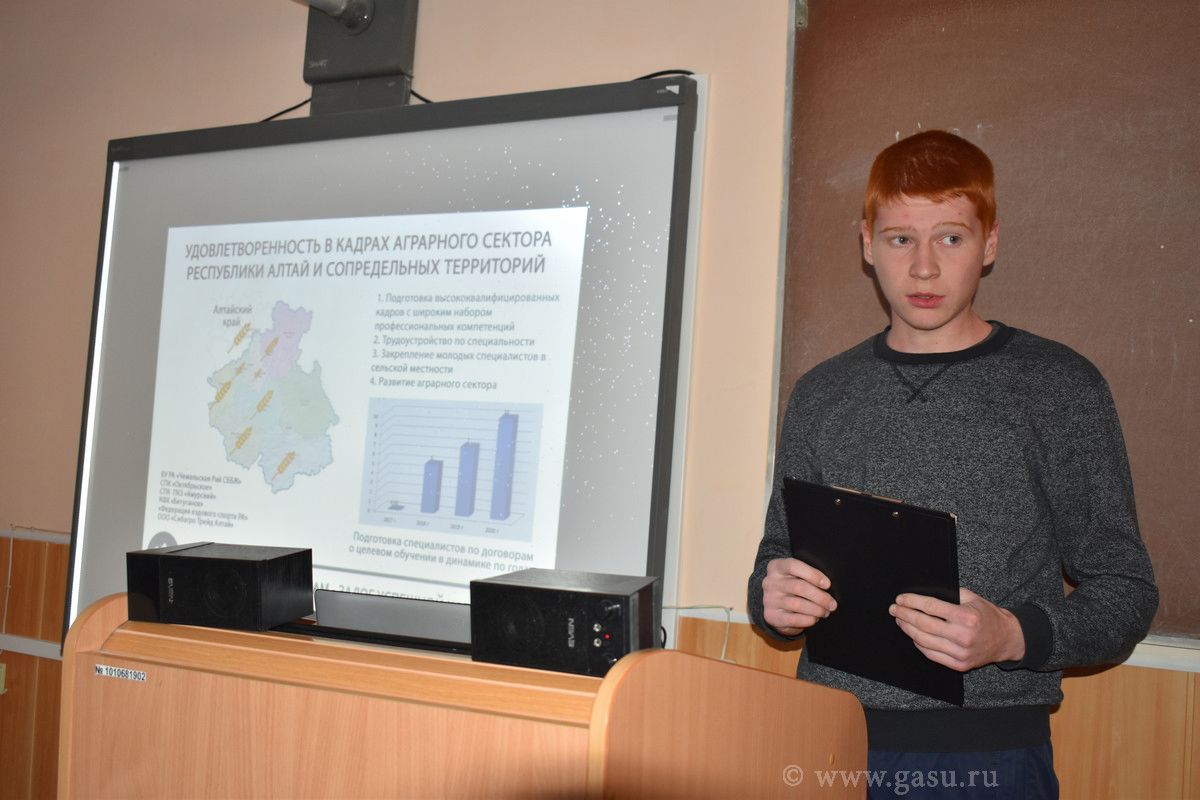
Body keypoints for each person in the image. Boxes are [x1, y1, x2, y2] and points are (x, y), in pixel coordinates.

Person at [748, 130, 1158, 798]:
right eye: (900, 239)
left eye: (950, 238)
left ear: (989, 244)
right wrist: (772, 600)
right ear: (867, 244)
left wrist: (1012, 636)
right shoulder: (821, 393)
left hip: (988, 757)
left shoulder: (1059, 387)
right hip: (828, 741)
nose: (924, 269)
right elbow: (778, 554)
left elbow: (1126, 591)